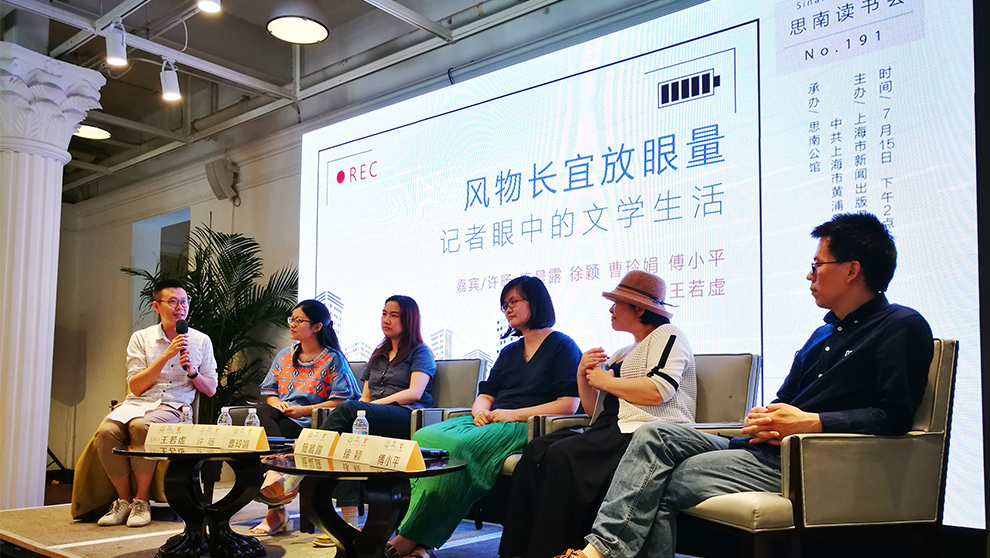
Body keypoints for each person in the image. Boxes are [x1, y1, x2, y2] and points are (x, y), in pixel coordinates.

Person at [553, 213, 934, 558]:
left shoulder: (901, 326)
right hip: (758, 446)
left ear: (852, 270)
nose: (810, 275)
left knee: (663, 479)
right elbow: (784, 400)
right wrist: (765, 417)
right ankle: (599, 552)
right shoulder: (821, 335)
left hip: (804, 462)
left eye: (817, 265)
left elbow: (894, 415)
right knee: (653, 435)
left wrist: (811, 423)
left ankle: (597, 553)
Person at [499, 270, 696, 558]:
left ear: (639, 309)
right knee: (537, 449)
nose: (611, 309)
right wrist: (583, 375)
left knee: (563, 455)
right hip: (610, 427)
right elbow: (596, 411)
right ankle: (517, 550)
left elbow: (660, 389)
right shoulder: (622, 352)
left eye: (617, 303)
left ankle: (557, 550)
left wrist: (606, 381)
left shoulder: (669, 335)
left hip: (646, 430)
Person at [387, 276, 583, 558]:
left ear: (536, 302)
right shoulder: (510, 351)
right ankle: (417, 540)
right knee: (423, 437)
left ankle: (410, 538)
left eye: (514, 301)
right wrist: (479, 410)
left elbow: (568, 404)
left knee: (459, 447)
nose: (508, 309)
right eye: (505, 305)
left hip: (525, 424)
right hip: (493, 418)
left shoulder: (562, 345)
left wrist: (511, 414)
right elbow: (486, 394)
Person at [309, 295, 437, 546]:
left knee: (348, 409)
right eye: (384, 313)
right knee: (348, 441)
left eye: (394, 315)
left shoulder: (420, 352)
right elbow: (365, 396)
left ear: (409, 320)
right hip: (371, 415)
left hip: (406, 416)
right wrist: (365, 408)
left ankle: (300, 471)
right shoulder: (378, 355)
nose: (386, 319)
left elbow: (414, 392)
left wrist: (369, 407)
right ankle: (348, 523)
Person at [93, 279, 218, 528]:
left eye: (184, 302)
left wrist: (193, 373)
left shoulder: (201, 340)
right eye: (173, 302)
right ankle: (123, 501)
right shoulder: (141, 338)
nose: (180, 307)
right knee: (106, 432)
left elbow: (211, 389)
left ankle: (142, 501)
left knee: (141, 426)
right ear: (156, 306)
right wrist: (166, 355)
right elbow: (136, 387)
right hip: (138, 403)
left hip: (175, 407)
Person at [249, 299, 361, 536]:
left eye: (299, 320)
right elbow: (269, 393)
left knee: (267, 432)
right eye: (292, 319)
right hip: (282, 421)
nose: (292, 324)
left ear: (317, 327)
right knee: (260, 412)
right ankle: (278, 475)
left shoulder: (333, 359)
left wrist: (305, 410)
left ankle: (277, 490)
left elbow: (343, 401)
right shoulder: (284, 356)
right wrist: (278, 404)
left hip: (315, 425)